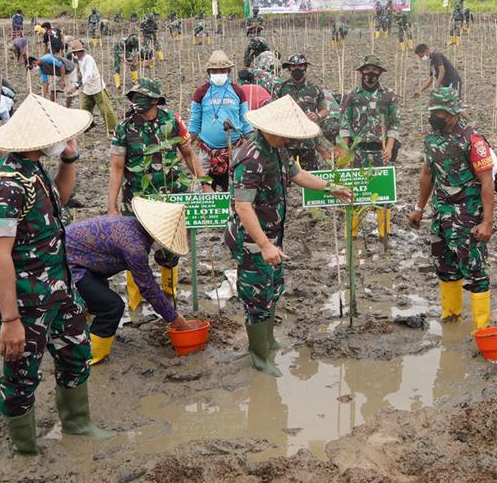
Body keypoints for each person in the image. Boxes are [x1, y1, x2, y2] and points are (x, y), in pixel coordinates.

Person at [0, 94, 110, 455]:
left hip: (59, 288)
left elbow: (59, 201)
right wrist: (10, 321)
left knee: (76, 354)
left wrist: (69, 158)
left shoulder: (33, 169)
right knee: (22, 374)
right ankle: (25, 449)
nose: (63, 139)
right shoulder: (6, 185)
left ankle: (78, 423)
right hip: (25, 300)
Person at [226, 96, 352, 375]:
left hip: (272, 234)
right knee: (257, 296)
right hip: (252, 240)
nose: (289, 138)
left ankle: (268, 340)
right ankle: (259, 357)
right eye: (285, 134)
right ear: (270, 129)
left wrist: (330, 187)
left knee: (272, 288)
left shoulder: (276, 149)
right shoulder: (250, 158)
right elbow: (243, 207)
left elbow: (297, 174)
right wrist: (264, 245)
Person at [108, 78, 204, 306]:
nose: (136, 101)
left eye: (141, 97)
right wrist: (112, 206)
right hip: (137, 199)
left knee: (170, 250)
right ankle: (135, 302)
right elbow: (117, 168)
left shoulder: (172, 121)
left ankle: (169, 297)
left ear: (154, 100)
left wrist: (205, 183)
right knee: (133, 250)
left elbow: (188, 154)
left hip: (169, 197)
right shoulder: (124, 128)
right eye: (134, 97)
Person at [410, 88, 496, 332]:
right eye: (432, 111)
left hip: (467, 215)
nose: (432, 116)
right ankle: (451, 319)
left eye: (437, 112)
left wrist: (487, 222)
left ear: (452, 114)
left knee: (475, 270)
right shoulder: (431, 138)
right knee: (444, 267)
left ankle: (482, 329)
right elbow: (428, 173)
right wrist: (419, 208)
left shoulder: (473, 141)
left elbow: (487, 181)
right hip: (441, 214)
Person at [66, 207, 198, 365]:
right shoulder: (134, 246)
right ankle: (89, 355)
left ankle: (77, 333)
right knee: (111, 306)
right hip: (66, 264)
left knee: (98, 295)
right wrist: (178, 321)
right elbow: (148, 288)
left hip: (81, 260)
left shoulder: (133, 225)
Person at [339, 55, 400, 238]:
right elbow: (345, 124)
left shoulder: (388, 95)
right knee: (355, 192)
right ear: (361, 72)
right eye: (367, 69)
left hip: (381, 151)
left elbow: (394, 123)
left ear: (380, 72)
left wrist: (389, 147)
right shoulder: (352, 96)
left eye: (375, 69)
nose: (370, 73)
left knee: (383, 194)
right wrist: (345, 152)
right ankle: (352, 235)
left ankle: (384, 234)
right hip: (358, 151)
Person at [188, 50, 252, 191]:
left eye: (222, 70)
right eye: (215, 71)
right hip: (207, 151)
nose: (219, 73)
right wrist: (183, 148)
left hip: (233, 149)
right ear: (209, 72)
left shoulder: (238, 92)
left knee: (237, 189)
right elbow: (194, 124)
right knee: (199, 190)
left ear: (228, 71)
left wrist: (256, 143)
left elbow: (246, 123)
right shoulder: (201, 92)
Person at [272, 54, 329, 170]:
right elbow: (273, 111)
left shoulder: (314, 89)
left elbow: (324, 110)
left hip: (308, 141)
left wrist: (317, 116)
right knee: (286, 175)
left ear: (305, 67)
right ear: (289, 68)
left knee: (310, 175)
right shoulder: (280, 88)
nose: (297, 69)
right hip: (287, 142)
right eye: (294, 66)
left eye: (300, 66)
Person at [69, 40, 117, 132]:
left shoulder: (88, 59)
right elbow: (82, 74)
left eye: (75, 53)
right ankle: (87, 126)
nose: (74, 55)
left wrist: (76, 87)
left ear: (80, 51)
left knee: (105, 110)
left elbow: (88, 75)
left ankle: (113, 128)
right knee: (85, 110)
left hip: (97, 87)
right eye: (73, 53)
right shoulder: (79, 60)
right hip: (87, 89)